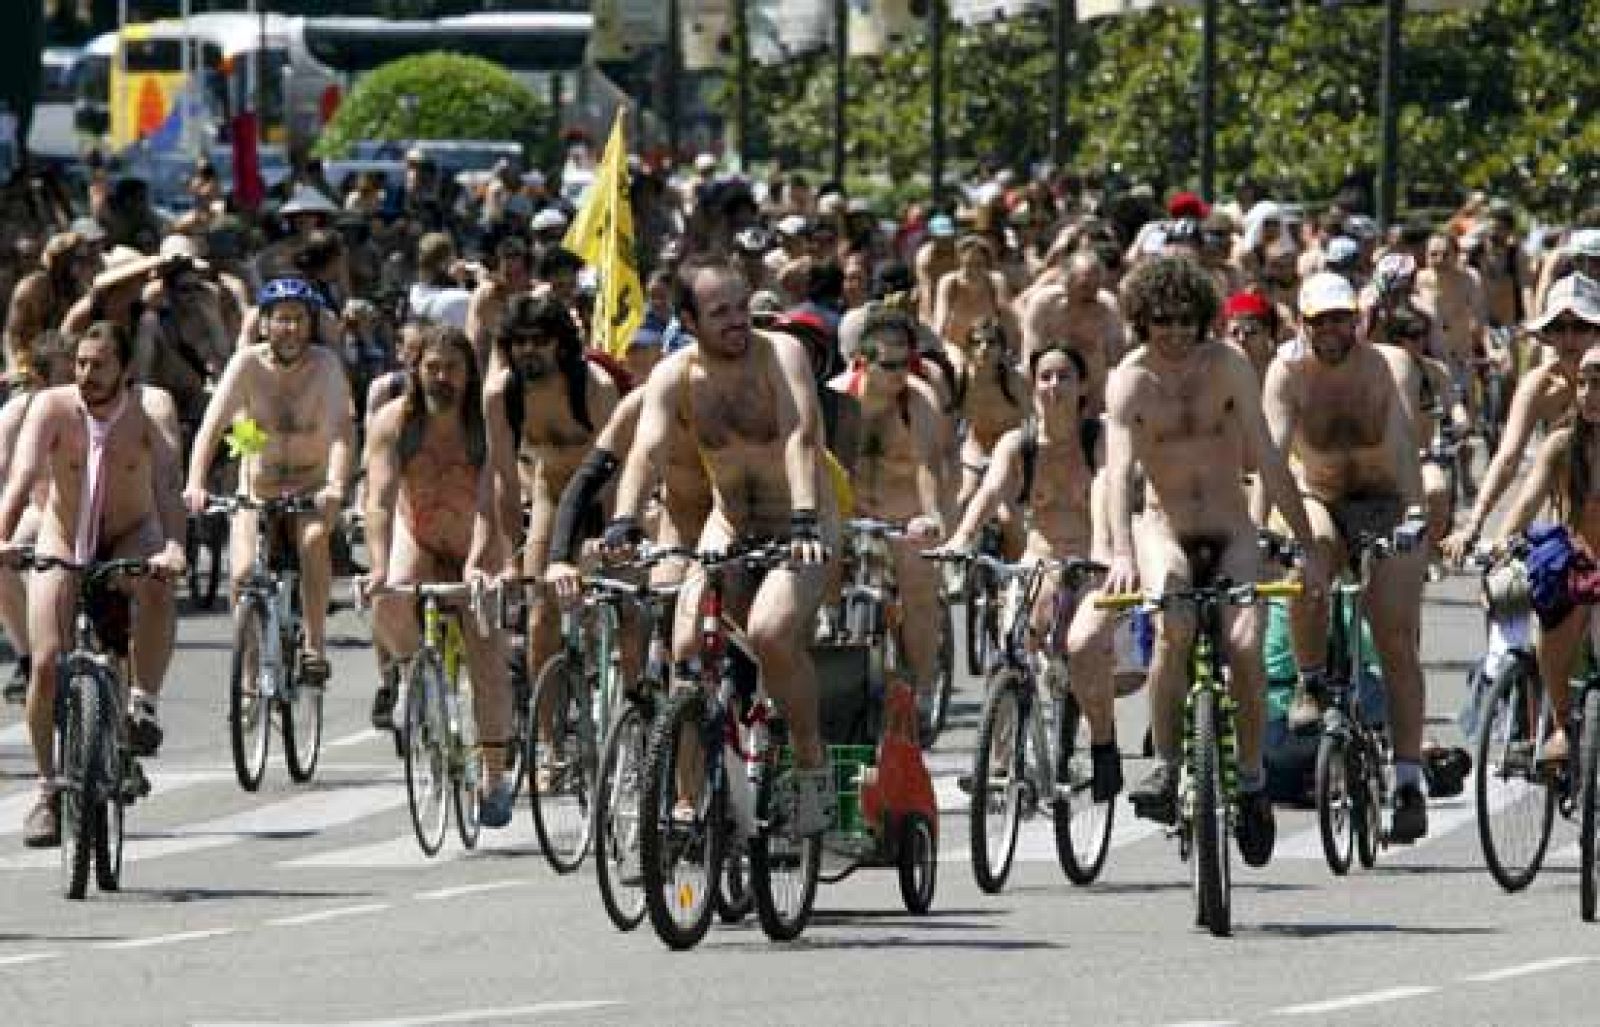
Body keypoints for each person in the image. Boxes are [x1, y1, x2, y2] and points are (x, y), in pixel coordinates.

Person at [1070, 255, 1320, 867]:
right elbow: (1119, 473)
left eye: (1187, 319)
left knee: (1245, 643)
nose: (1176, 332)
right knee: (1173, 626)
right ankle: (1167, 764)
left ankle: (1253, 779)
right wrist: (1121, 554)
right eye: (1163, 320)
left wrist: (1308, 545)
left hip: (1231, 529)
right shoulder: (1130, 380)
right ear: (1143, 320)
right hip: (1165, 529)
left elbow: (1267, 457)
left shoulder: (1228, 366)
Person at [608, 258, 838, 836]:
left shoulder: (780, 354)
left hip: (801, 523)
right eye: (720, 313)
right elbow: (647, 449)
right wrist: (624, 521)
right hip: (730, 525)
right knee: (686, 647)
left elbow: (800, 435)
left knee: (770, 633)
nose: (738, 320)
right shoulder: (675, 375)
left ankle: (811, 763)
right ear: (688, 321)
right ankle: (690, 801)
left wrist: (804, 519)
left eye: (742, 307)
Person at [0, 322, 187, 847]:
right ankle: (48, 791)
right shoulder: (52, 407)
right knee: (45, 664)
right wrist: (2, 536)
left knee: (156, 585)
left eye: (100, 365)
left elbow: (167, 486)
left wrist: (174, 546)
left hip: (130, 533)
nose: (87, 374)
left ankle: (142, 703)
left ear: (125, 370)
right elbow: (20, 479)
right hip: (62, 537)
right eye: (81, 363)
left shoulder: (151, 410)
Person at [1260, 272, 1429, 842]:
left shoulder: (1388, 365)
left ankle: (1408, 781)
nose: (1332, 330)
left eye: (1341, 318)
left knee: (1396, 640)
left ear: (1357, 319)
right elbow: (1272, 456)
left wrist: (1413, 516)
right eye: (1320, 321)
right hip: (1322, 498)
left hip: (1387, 501)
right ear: (1302, 324)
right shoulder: (1286, 374)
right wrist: (1260, 530)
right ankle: (1310, 681)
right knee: (1309, 558)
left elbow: (1403, 444)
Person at [360, 325, 517, 824]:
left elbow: (493, 500)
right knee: (388, 596)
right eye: (432, 368)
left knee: (486, 651)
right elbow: (379, 500)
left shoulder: (485, 424)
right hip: (419, 534)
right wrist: (379, 564)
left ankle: (495, 776)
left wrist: (480, 562)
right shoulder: (394, 421)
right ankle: (413, 674)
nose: (441, 378)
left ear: (470, 374)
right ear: (416, 369)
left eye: (452, 368)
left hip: (476, 536)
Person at [944, 345, 1116, 794]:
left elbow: (1105, 487)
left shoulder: (1098, 438)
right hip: (1040, 561)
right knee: (1010, 649)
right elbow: (990, 490)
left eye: (1065, 376)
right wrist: (962, 536)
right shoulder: (1018, 444)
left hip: (1092, 564)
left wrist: (1105, 548)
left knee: (1086, 654)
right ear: (1033, 385)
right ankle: (1000, 764)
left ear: (1082, 386)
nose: (1054, 386)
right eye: (1045, 377)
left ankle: (1102, 744)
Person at [183, 278, 355, 690]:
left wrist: (335, 484)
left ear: (311, 325)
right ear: (263, 324)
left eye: (299, 319)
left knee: (313, 541)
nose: (291, 328)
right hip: (257, 490)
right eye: (281, 319)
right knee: (242, 573)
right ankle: (247, 675)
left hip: (311, 488)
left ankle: (314, 646)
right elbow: (211, 428)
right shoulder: (246, 364)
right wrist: (195, 483)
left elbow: (340, 432)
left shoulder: (326, 366)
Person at [484, 293, 620, 739]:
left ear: (560, 343)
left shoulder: (594, 386)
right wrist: (510, 556)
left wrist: (610, 536)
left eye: (540, 341)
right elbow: (505, 481)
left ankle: (622, 703)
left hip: (602, 497)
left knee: (613, 603)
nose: (529, 351)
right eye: (519, 342)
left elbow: (617, 470)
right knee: (539, 613)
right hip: (551, 494)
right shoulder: (501, 394)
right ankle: (549, 744)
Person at [825, 306, 947, 734]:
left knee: (919, 588)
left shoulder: (918, 401)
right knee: (813, 576)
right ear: (862, 361)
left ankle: (925, 689)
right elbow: (819, 464)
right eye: (889, 365)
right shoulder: (837, 397)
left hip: (905, 515)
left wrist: (930, 516)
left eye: (906, 363)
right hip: (852, 513)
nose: (901, 374)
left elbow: (928, 466)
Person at [1488, 344, 1600, 765]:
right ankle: (1560, 725)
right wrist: (1501, 542)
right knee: (1548, 628)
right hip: (1577, 568)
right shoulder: (1562, 445)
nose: (1589, 394)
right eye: (1583, 384)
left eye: (1599, 384)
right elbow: (1526, 502)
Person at [1442, 274, 1600, 564]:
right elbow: (1507, 458)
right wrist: (1474, 525)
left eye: (1580, 327)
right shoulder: (1540, 386)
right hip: (1572, 503)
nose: (1569, 339)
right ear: (1548, 335)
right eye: (1558, 328)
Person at [0, 330, 76, 703]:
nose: (76, 384)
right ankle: (28, 656)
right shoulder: (15, 415)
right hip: (39, 512)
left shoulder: (94, 408)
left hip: (87, 517)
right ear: (40, 380)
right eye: (64, 377)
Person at [1019, 250, 1125, 413]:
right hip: (1049, 383)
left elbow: (1116, 361)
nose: (1091, 295)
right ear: (1066, 281)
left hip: (1092, 391)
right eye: (1084, 286)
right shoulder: (1043, 305)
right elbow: (1031, 357)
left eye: (1096, 287)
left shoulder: (1107, 307)